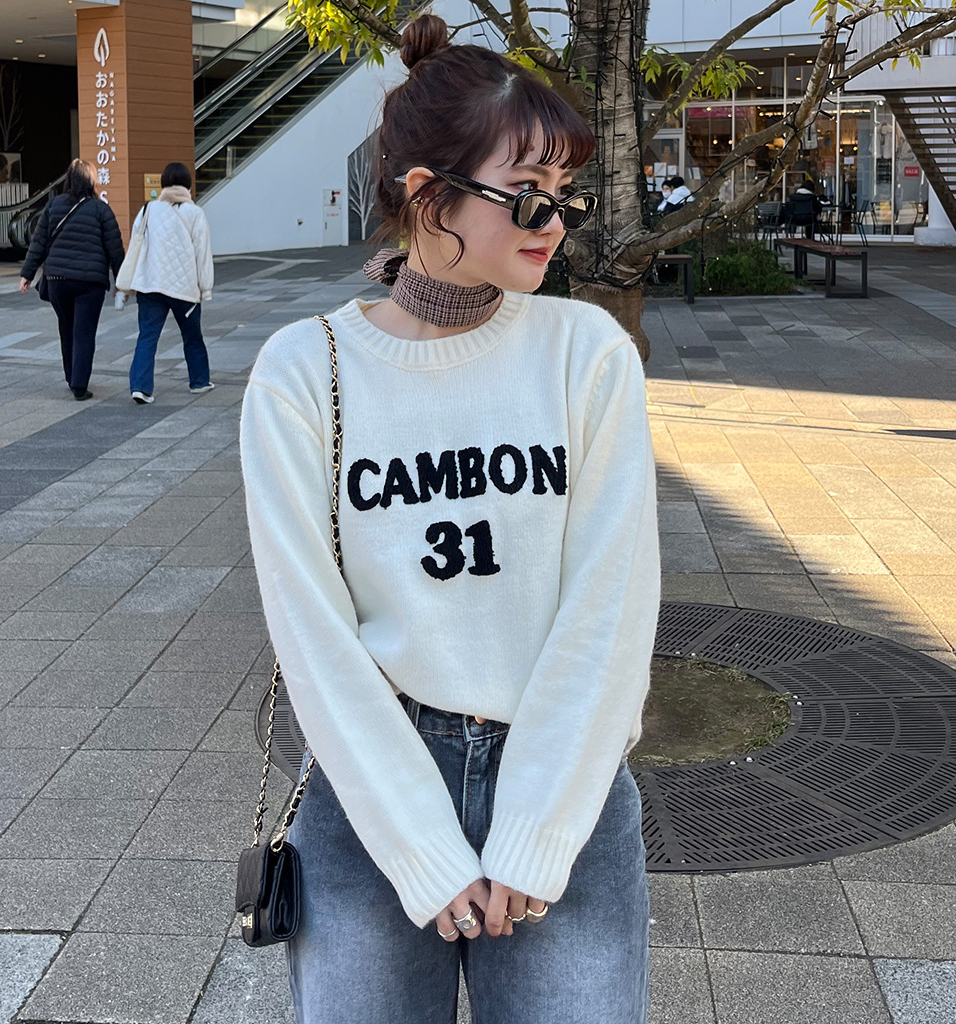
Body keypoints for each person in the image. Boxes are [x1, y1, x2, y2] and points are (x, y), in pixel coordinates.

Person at [239, 13, 660, 1024]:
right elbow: (312, 633)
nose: (555, 222)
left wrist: (538, 830)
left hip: (563, 777)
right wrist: (420, 845)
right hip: (372, 784)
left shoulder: (586, 353)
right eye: (529, 195)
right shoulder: (305, 372)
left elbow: (611, 606)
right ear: (429, 194)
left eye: (565, 196)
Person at [19, 159, 124, 401]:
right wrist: (121, 281)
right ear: (92, 181)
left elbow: (39, 242)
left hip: (58, 279)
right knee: (84, 332)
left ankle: (70, 377)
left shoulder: (53, 205)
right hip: (90, 282)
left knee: (66, 328)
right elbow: (115, 249)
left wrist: (27, 274)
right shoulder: (101, 209)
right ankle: (79, 384)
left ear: (69, 180)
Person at [116, 162, 215, 404]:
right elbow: (202, 254)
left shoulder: (148, 209)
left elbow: (136, 245)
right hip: (184, 288)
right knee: (192, 336)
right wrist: (205, 288)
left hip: (150, 284)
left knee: (147, 336)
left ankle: (140, 387)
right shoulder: (195, 214)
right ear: (188, 185)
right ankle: (199, 381)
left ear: (163, 184)